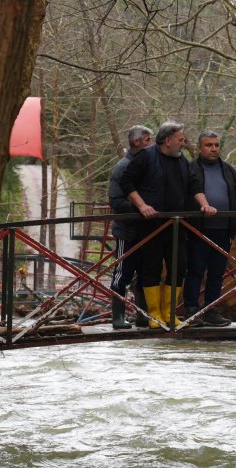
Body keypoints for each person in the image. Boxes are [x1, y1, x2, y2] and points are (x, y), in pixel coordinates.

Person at [120, 121, 213, 328]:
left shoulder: (181, 160)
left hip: (177, 225)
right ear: (168, 140)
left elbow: (193, 185)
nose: (184, 143)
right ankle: (154, 315)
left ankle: (170, 314)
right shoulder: (146, 156)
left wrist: (205, 205)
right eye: (180, 139)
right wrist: (142, 205)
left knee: (179, 267)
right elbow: (127, 182)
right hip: (151, 225)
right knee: (151, 268)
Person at [183, 130, 236, 327]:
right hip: (198, 229)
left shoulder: (228, 170)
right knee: (195, 270)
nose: (214, 149)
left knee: (217, 272)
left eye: (216, 145)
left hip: (223, 229)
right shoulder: (191, 169)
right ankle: (191, 309)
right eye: (209, 145)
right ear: (200, 147)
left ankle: (211, 309)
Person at [106, 125, 153, 329]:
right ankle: (117, 317)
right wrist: (140, 208)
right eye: (148, 140)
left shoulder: (147, 165)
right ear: (137, 142)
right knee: (122, 273)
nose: (152, 144)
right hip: (127, 230)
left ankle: (142, 315)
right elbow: (115, 200)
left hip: (147, 230)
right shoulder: (123, 166)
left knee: (145, 273)